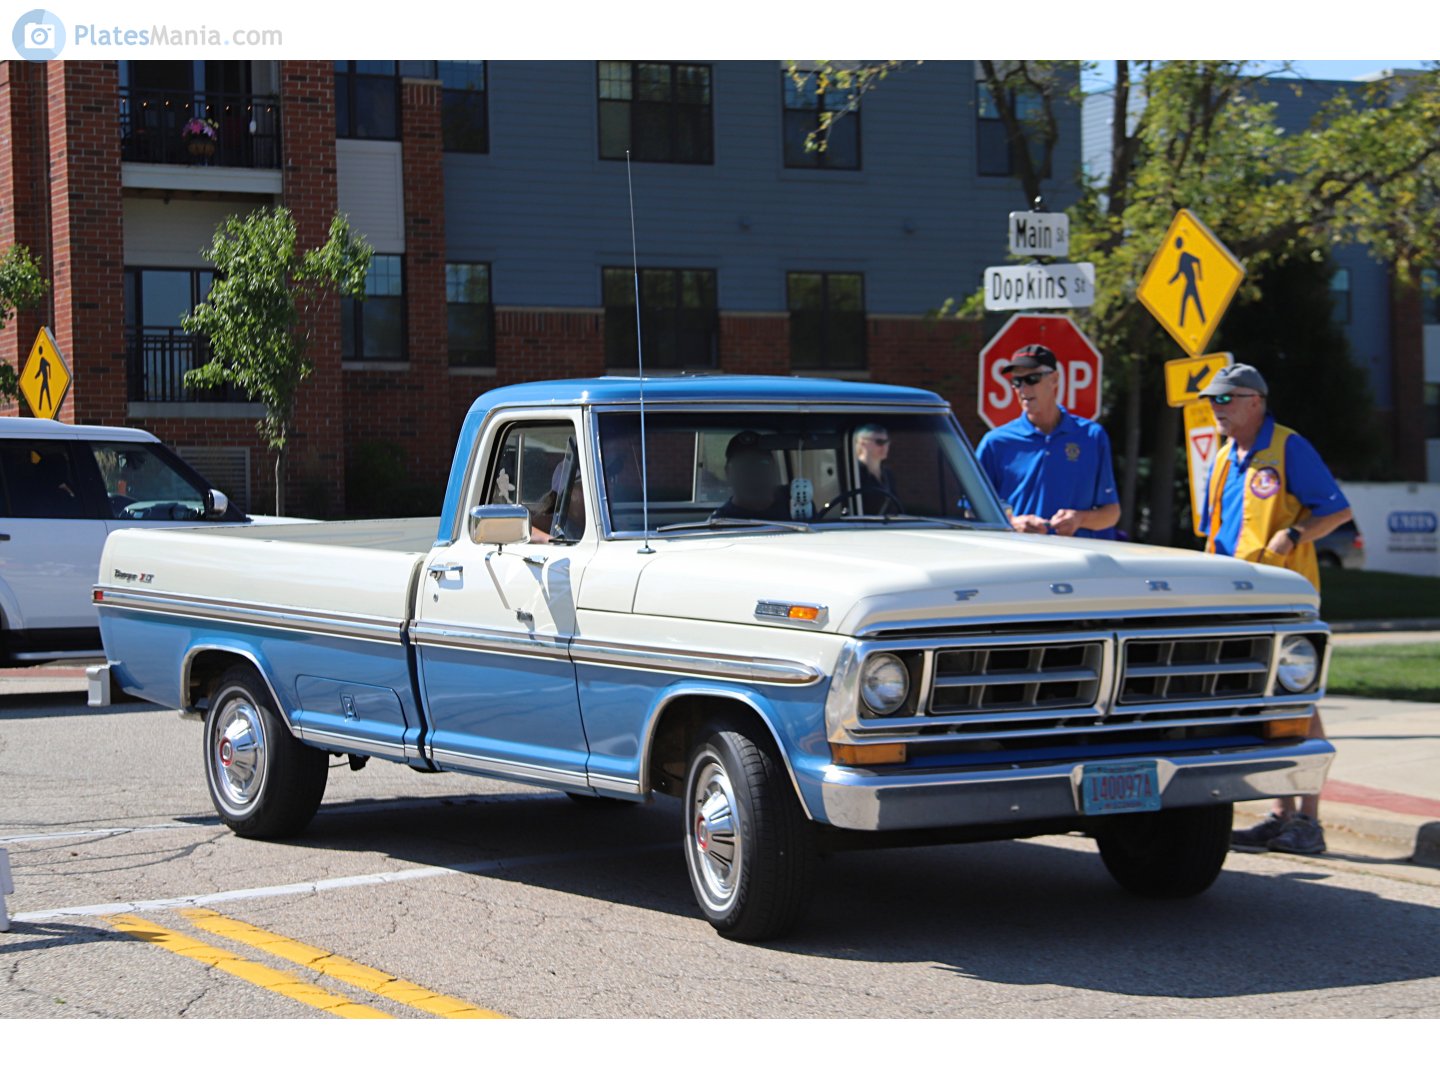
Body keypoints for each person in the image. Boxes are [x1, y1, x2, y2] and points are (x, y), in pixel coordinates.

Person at [1198, 362, 1353, 856]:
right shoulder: (1225, 456)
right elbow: (1215, 530)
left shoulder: (1287, 446)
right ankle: (1279, 813)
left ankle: (1309, 819)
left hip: (1284, 601)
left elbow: (1336, 509)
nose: (1217, 408)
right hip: (1233, 601)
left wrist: (1295, 535)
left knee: (1297, 703)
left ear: (1256, 401)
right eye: (1213, 401)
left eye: (1226, 399)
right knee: (1261, 705)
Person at [976, 344, 1120, 539]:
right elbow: (971, 512)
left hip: (1078, 562)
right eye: (1017, 381)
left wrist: (1079, 519)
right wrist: (1012, 523)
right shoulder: (995, 442)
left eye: (1032, 379)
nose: (1023, 389)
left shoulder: (1091, 437)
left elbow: (1111, 514)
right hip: (1016, 559)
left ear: (1054, 379)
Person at [713, 430, 791, 520]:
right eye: (743, 467)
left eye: (761, 465)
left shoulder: (797, 500)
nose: (752, 474)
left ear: (773, 468)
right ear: (728, 472)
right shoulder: (720, 524)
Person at [853, 424, 899, 514]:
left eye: (887, 442)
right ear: (863, 443)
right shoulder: (853, 472)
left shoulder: (887, 474)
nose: (885, 446)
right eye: (880, 442)